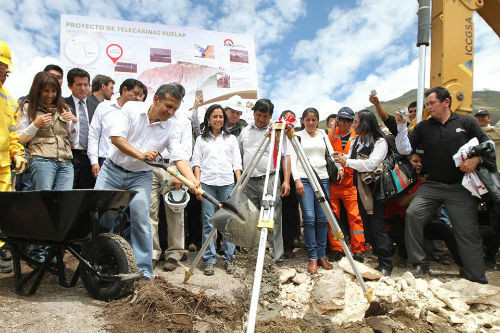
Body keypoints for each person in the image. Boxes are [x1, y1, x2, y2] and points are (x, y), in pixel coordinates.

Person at [94, 82, 198, 280]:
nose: (171, 112)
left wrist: (192, 181)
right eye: (168, 106)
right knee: (103, 217)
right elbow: (116, 138)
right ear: (156, 99)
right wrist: (141, 155)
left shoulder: (172, 127)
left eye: (175, 109)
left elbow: (179, 157)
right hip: (111, 171)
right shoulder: (132, 109)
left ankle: (143, 272)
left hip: (140, 176)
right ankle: (100, 262)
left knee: (142, 219)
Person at [395, 86, 489, 283]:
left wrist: (477, 160)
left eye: (432, 103)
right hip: (432, 184)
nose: (428, 108)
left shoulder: (467, 122)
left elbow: (487, 145)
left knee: (467, 229)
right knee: (413, 214)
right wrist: (402, 126)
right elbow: (404, 149)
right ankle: (419, 263)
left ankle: (475, 275)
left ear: (446, 102)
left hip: (460, 186)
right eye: (427, 104)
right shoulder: (423, 127)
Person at [17, 71, 78, 264]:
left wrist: (74, 124)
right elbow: (20, 137)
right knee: (43, 206)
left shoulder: (64, 107)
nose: (50, 95)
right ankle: (37, 254)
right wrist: (35, 124)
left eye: (53, 91)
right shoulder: (27, 107)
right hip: (42, 159)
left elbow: (73, 140)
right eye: (46, 91)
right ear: (37, 89)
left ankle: (53, 254)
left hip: (66, 162)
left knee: (62, 207)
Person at [334, 110, 394, 276]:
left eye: (356, 121)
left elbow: (371, 164)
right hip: (359, 189)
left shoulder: (380, 141)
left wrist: (347, 161)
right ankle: (378, 254)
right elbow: (350, 158)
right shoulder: (355, 141)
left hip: (374, 189)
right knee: (367, 225)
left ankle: (386, 263)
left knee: (377, 225)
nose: (353, 124)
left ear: (365, 123)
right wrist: (341, 157)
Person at [192, 104, 242, 275]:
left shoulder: (231, 139)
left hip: (227, 183)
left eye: (221, 116)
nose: (218, 119)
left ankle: (229, 259)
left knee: (228, 222)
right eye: (215, 116)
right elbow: (196, 162)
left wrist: (239, 182)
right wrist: (197, 183)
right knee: (208, 222)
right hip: (207, 185)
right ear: (208, 119)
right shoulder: (201, 140)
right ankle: (210, 260)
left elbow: (237, 162)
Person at [239, 99, 290, 262]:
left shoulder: (277, 131)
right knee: (250, 217)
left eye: (265, 116)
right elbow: (239, 156)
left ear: (271, 116)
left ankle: (276, 255)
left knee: (272, 216)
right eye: (259, 115)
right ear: (253, 113)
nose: (261, 119)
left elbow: (285, 156)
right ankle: (253, 255)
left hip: (270, 179)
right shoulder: (244, 132)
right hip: (249, 181)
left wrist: (286, 180)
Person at [291, 108, 340, 274]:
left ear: (317, 120)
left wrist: (339, 167)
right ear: (303, 120)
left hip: (323, 178)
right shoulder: (297, 136)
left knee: (322, 218)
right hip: (305, 179)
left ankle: (322, 255)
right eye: (307, 119)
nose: (311, 123)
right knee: (309, 217)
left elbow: (331, 154)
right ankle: (312, 256)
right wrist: (296, 179)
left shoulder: (323, 135)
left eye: (313, 120)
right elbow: (293, 159)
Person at [149, 109, 192, 272]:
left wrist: (180, 175)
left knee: (175, 211)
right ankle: (152, 253)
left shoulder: (184, 120)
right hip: (151, 165)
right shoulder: (156, 115)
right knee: (150, 211)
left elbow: (187, 148)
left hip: (173, 167)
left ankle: (174, 254)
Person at [0, 39, 26, 273]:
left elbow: (12, 133)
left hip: (2, 166)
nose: (3, 73)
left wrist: (17, 154)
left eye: (5, 70)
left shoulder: (8, 98)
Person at [327, 107, 366, 263]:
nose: (344, 123)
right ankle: (337, 248)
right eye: (341, 119)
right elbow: (326, 152)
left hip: (350, 184)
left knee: (355, 218)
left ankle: (358, 249)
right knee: (333, 218)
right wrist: (331, 130)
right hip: (334, 184)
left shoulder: (358, 137)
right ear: (337, 120)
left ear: (352, 122)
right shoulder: (330, 135)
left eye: (348, 120)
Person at [88, 78, 145, 178]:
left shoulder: (140, 113)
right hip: (104, 161)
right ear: (124, 90)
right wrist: (94, 162)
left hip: (129, 164)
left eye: (140, 95)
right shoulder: (104, 107)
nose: (138, 98)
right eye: (135, 94)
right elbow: (94, 135)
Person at [64, 68, 99, 189]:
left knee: (87, 195)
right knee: (68, 192)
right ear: (69, 85)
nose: (83, 88)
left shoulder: (97, 106)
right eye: (79, 84)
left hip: (90, 158)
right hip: (69, 156)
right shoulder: (62, 104)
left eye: (86, 84)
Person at [280, 110, 300, 259]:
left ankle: (289, 244)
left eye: (290, 119)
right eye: (285, 119)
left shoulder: (297, 137)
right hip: (278, 175)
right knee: (279, 213)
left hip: (295, 177)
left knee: (291, 212)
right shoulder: (276, 136)